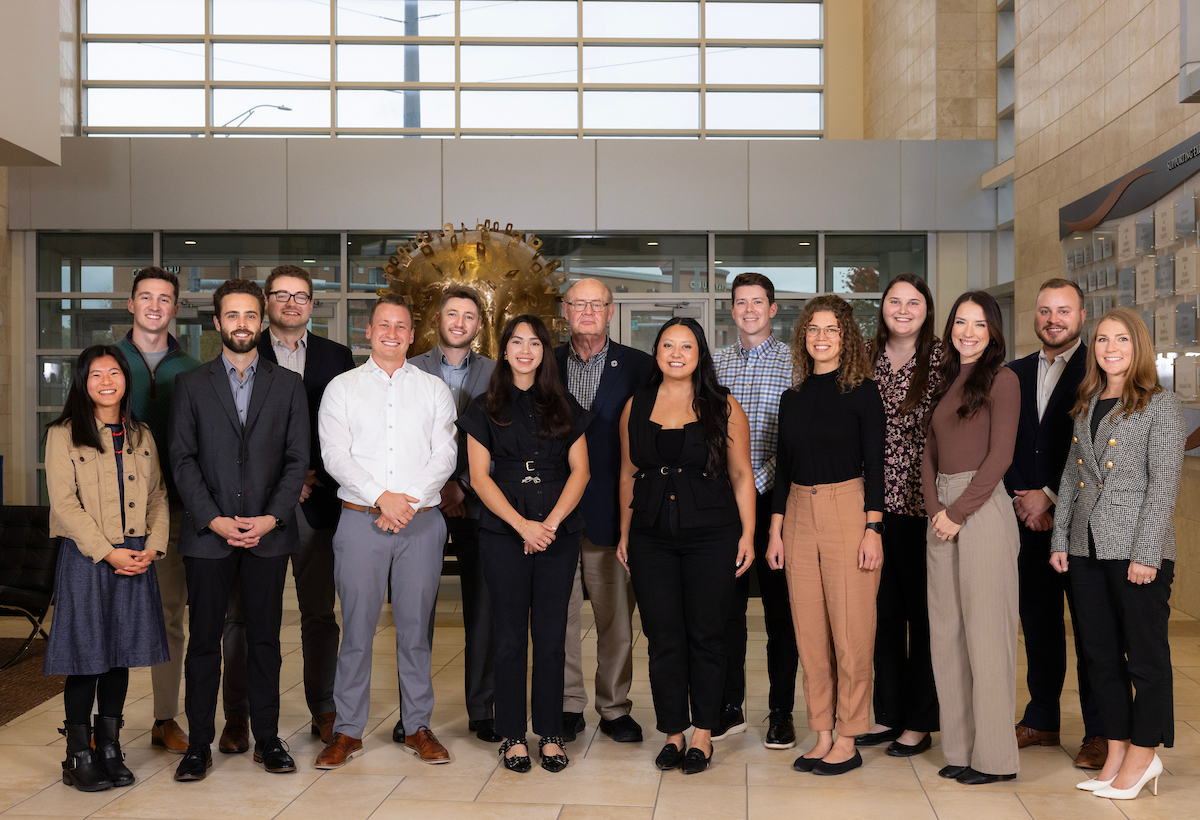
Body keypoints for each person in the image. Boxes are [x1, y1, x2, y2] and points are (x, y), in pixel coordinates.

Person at [168, 279, 310, 782]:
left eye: (250, 315)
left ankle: (267, 739)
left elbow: (297, 460)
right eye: (233, 315)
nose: (242, 324)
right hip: (209, 536)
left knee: (265, 641)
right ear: (217, 323)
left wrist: (271, 518)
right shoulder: (191, 384)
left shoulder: (288, 385)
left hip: (269, 535)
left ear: (262, 320)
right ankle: (198, 745)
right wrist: (215, 519)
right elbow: (182, 459)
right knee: (204, 642)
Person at [314, 293, 458, 769]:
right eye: (383, 325)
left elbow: (445, 454)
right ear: (368, 332)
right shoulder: (342, 388)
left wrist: (406, 500)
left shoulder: (434, 389)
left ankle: (417, 727)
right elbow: (335, 455)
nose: (391, 333)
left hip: (421, 522)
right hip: (360, 521)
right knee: (356, 630)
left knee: (415, 631)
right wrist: (382, 497)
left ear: (412, 335)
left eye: (401, 326)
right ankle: (347, 731)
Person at [217, 265, 357, 753]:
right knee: (243, 616)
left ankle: (324, 707)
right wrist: (282, 484)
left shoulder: (337, 357)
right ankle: (238, 715)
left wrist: (308, 478)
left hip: (318, 503)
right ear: (265, 303)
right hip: (256, 507)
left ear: (312, 305)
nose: (291, 304)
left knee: (319, 613)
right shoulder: (242, 350)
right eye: (281, 295)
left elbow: (348, 427)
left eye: (301, 296)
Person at [1051, 308, 1184, 800]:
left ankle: (1145, 755)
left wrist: (1147, 552)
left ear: (1138, 345)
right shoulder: (1087, 402)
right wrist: (1060, 539)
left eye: (1121, 339)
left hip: (1136, 550)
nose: (1110, 348)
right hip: (1085, 547)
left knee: (1144, 658)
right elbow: (1071, 477)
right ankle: (1116, 750)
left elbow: (1163, 484)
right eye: (1103, 339)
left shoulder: (1160, 405)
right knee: (1100, 656)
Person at [618, 318, 756, 775]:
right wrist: (625, 533)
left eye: (686, 346)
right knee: (662, 637)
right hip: (650, 536)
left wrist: (748, 534)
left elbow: (741, 475)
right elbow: (627, 474)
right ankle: (673, 732)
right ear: (656, 352)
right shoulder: (635, 405)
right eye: (668, 345)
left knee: (707, 635)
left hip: (712, 535)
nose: (676, 354)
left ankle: (703, 734)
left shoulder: (723, 405)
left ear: (700, 355)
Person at [459, 314, 591, 773]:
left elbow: (581, 471)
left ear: (544, 352)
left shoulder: (564, 404)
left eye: (534, 343)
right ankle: (513, 736)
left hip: (558, 532)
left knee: (552, 636)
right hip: (503, 533)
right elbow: (479, 477)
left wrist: (548, 525)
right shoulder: (484, 406)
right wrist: (522, 526)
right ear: (505, 350)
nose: (525, 350)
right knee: (509, 635)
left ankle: (550, 733)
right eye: (516, 342)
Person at [766, 295, 886, 776]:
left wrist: (873, 527)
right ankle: (821, 733)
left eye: (831, 329)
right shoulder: (791, 398)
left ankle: (849, 736)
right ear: (803, 337)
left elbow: (875, 465)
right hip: (797, 513)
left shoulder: (863, 393)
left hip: (848, 511)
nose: (821, 337)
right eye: (813, 329)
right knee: (810, 633)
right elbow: (783, 469)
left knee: (852, 634)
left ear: (846, 337)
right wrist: (775, 530)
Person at [44, 345, 170, 792]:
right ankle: (78, 756)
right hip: (88, 556)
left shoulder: (141, 434)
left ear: (125, 379)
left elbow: (158, 495)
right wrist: (108, 551)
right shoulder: (63, 434)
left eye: (113, 372)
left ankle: (110, 749)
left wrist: (153, 548)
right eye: (95, 374)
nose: (106, 381)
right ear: (82, 382)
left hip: (135, 555)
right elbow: (64, 504)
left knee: (120, 654)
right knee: (86, 657)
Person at [1005, 278, 1106, 769]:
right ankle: (1042, 718)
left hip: (1081, 524)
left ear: (1082, 316)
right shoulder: (1014, 373)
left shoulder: (1099, 369)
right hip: (1026, 523)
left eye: (1064, 310)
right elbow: (1002, 440)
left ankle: (1100, 731)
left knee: (1091, 631)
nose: (1053, 319)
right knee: (1038, 625)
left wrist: (1047, 495)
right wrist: (1023, 497)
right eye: (1045, 310)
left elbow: (1094, 444)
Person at [921, 290, 1021, 785]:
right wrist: (935, 509)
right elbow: (927, 452)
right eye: (961, 322)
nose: (968, 332)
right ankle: (960, 749)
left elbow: (1001, 456)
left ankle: (996, 760)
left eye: (979, 324)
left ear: (993, 331)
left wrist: (958, 511)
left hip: (980, 509)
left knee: (987, 637)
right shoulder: (943, 379)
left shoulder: (1003, 380)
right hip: (941, 512)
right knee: (947, 636)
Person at [555, 278, 655, 743]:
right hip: (554, 513)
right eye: (579, 304)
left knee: (615, 619)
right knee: (559, 617)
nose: (588, 311)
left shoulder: (639, 366)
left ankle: (614, 708)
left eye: (597, 304)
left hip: (612, 513)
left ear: (611, 312)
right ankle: (567, 705)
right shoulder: (544, 362)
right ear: (565, 310)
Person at [116, 266, 202, 754]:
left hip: (172, 510)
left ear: (175, 308)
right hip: (112, 514)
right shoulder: (105, 361)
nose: (154, 306)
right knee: (108, 617)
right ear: (131, 304)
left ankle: (165, 718)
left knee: (170, 616)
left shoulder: (191, 368)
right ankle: (101, 722)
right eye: (145, 297)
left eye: (164, 298)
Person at [712, 273, 799, 749]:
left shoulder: (795, 362)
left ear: (772, 309)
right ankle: (730, 707)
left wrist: (753, 482)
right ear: (732, 310)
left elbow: (796, 440)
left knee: (780, 613)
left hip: (777, 504)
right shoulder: (714, 364)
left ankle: (781, 712)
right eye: (741, 302)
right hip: (722, 505)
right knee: (727, 611)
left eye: (758, 302)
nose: (749, 310)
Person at [410, 284, 500, 744]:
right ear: (438, 320)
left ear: (479, 325)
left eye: (468, 316)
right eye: (452, 314)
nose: (459, 322)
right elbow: (401, 439)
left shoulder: (497, 372)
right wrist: (438, 487)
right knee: (416, 610)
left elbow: (502, 436)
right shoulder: (410, 368)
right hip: (422, 503)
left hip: (478, 502)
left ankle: (483, 710)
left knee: (482, 611)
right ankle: (414, 716)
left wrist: (462, 484)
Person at [858, 274, 942, 758]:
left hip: (923, 505)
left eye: (914, 302)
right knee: (881, 614)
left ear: (927, 310)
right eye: (895, 301)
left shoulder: (943, 360)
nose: (904, 310)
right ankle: (887, 713)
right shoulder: (862, 356)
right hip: (870, 505)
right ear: (883, 307)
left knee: (923, 616)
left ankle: (919, 721)